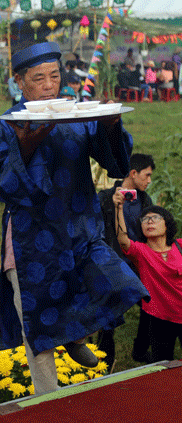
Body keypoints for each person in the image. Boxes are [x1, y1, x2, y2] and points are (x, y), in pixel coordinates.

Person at [0, 41, 149, 395]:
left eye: (54, 76)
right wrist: (26, 145)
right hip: (32, 240)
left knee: (120, 284)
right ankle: (48, 403)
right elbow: (1, 184)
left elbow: (117, 164)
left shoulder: (76, 116)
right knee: (38, 326)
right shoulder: (9, 125)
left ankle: (75, 333)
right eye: (38, 78)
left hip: (81, 227)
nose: (48, 85)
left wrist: (109, 125)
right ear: (19, 83)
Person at [98, 153, 155, 366]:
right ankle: (105, 356)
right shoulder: (105, 198)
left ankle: (140, 350)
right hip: (112, 264)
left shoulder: (144, 199)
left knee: (152, 302)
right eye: (147, 175)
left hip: (138, 263)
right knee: (107, 315)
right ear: (133, 173)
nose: (149, 181)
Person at [114, 198, 182, 363]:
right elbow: (122, 239)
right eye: (145, 219)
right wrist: (118, 207)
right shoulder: (141, 252)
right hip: (160, 319)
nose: (149, 221)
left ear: (167, 224)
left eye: (156, 217)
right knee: (165, 366)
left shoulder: (180, 246)